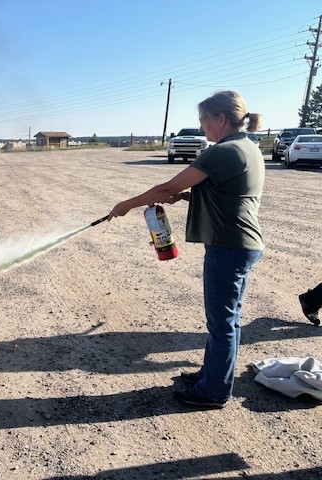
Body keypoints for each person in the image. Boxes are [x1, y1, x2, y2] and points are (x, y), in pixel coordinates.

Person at [107, 91, 264, 408]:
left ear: (220, 119)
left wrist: (124, 205)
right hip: (240, 244)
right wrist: (186, 198)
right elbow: (226, 197)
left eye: (203, 120)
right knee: (224, 320)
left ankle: (214, 391)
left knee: (222, 323)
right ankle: (210, 375)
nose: (202, 127)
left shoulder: (222, 151)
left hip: (228, 246)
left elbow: (166, 188)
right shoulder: (247, 147)